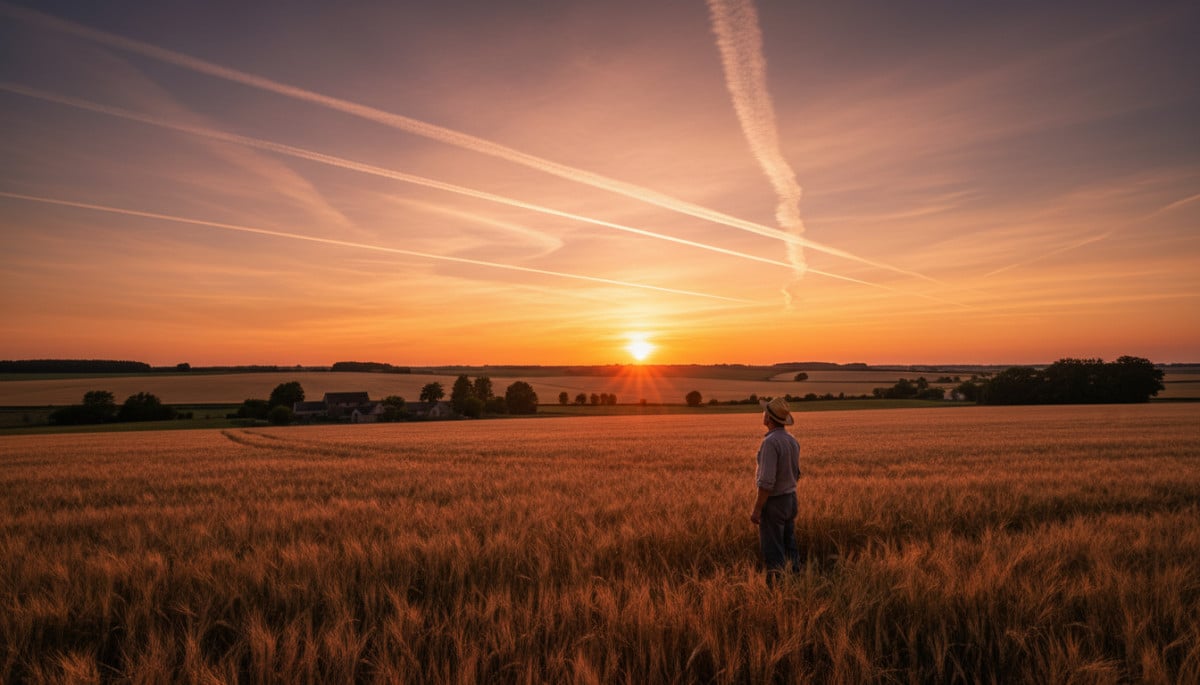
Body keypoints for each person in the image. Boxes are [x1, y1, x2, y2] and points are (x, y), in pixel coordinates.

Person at [750, 396, 801, 583]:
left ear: (769, 418)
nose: (762, 414)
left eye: (764, 412)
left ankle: (777, 589)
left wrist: (757, 509)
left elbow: (766, 482)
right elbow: (797, 473)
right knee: (789, 545)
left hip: (775, 502)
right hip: (791, 499)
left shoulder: (770, 443)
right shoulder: (792, 441)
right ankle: (795, 582)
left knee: (773, 550)